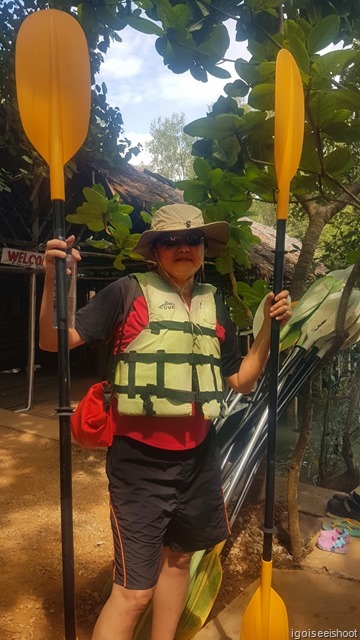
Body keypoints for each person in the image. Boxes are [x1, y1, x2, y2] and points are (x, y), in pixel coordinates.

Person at [39, 204, 292, 640]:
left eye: (192, 239)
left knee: (178, 561)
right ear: (154, 250)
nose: (183, 247)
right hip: (139, 466)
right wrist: (52, 279)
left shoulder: (216, 306)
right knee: (134, 592)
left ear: (203, 249)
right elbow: (52, 339)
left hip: (199, 461)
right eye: (170, 240)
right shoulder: (126, 292)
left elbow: (242, 381)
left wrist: (269, 327)